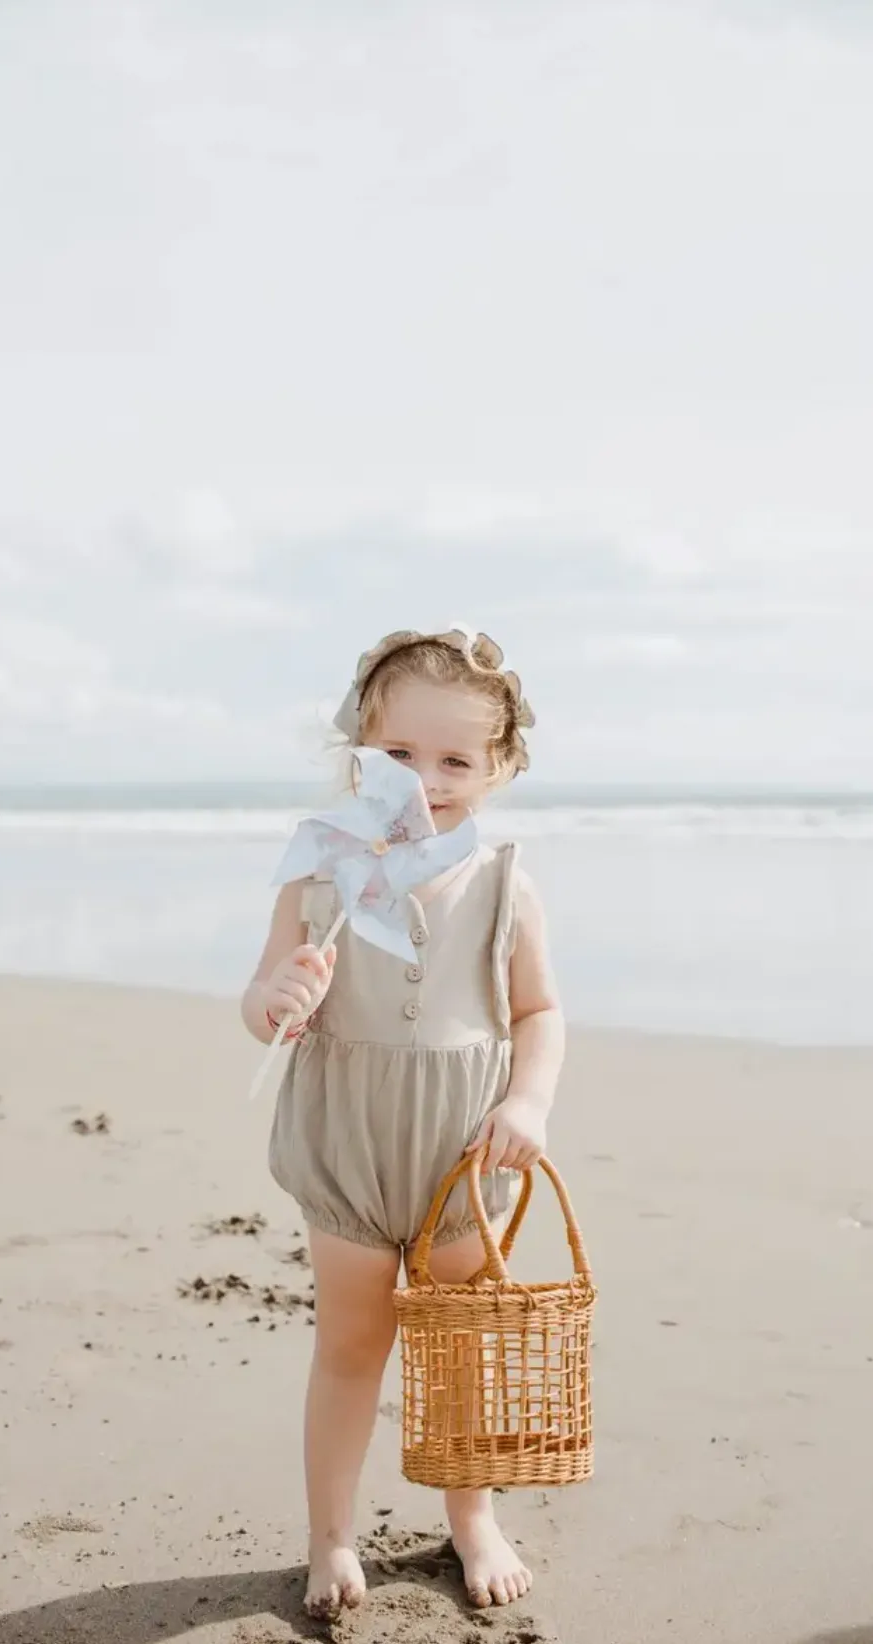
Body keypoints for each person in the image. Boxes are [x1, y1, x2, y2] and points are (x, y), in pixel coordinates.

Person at [240, 625, 565, 1618]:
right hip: (351, 1141)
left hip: (461, 1148)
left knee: (458, 1344)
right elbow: (262, 1004)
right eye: (398, 755)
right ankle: (332, 1535)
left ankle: (472, 1517)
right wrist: (282, 995)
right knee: (350, 1343)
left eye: (456, 759)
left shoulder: (506, 878)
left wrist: (529, 1101)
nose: (426, 779)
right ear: (360, 753)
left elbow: (539, 1012)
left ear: (500, 765)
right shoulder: (322, 877)